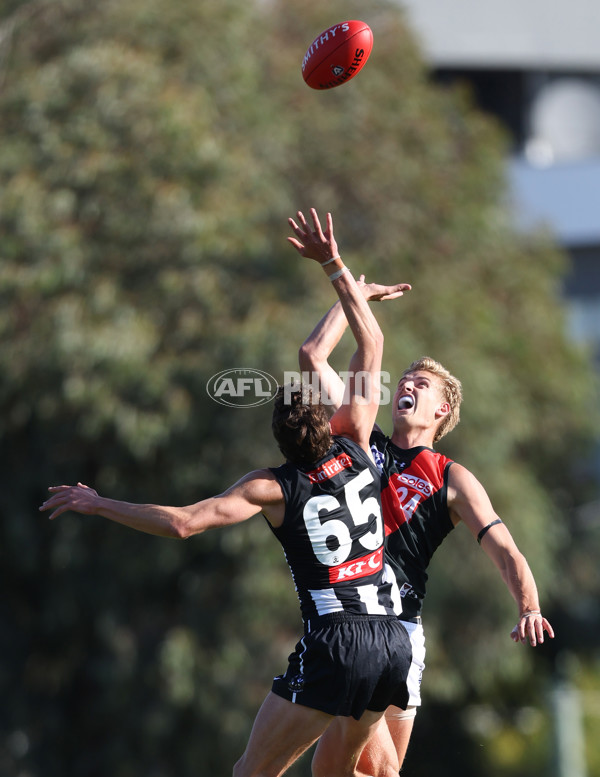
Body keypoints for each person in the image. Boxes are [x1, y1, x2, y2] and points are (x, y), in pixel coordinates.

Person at [40, 208, 414, 777]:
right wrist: (337, 270)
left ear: (278, 436)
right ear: (329, 418)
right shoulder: (359, 440)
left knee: (252, 773)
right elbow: (372, 339)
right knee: (347, 773)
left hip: (336, 641)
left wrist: (99, 503)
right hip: (390, 639)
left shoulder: (271, 487)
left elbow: (183, 523)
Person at [298, 294, 555, 776]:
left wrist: (529, 606)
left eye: (421, 384)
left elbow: (505, 551)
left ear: (443, 408)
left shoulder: (451, 477)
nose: (406, 387)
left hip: (401, 630)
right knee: (343, 770)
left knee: (364, 770)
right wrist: (352, 292)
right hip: (353, 622)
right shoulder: (359, 437)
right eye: (404, 381)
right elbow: (313, 357)